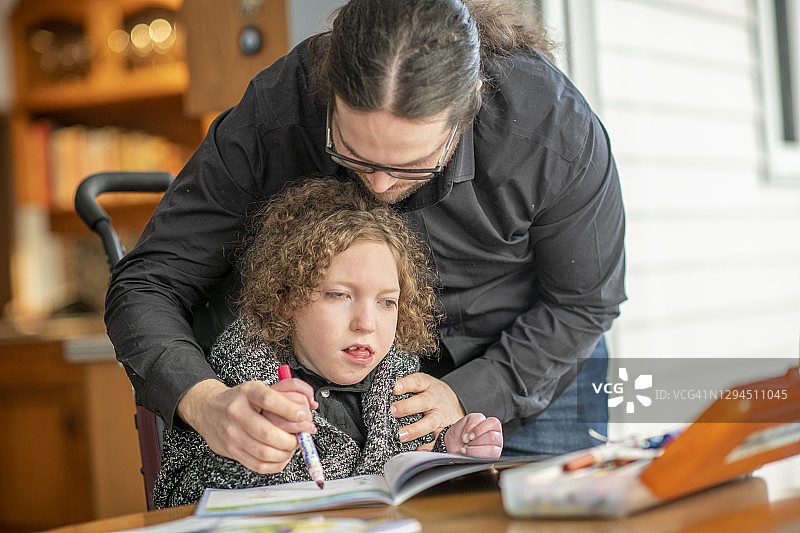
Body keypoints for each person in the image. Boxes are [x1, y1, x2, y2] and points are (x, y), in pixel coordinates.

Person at [106, 0, 625, 469]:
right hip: (352, 408)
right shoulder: (276, 112)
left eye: (414, 164)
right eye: (353, 154)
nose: (378, 186)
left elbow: (583, 303)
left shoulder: (552, 131)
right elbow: (147, 284)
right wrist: (204, 400)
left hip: (531, 371)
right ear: (326, 93)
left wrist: (472, 392)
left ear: (469, 109)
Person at [152, 178, 503, 508]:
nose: (366, 324)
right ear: (287, 297)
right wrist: (249, 448)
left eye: (386, 302)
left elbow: (409, 474)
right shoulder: (240, 377)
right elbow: (177, 497)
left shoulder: (398, 377)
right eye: (338, 295)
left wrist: (448, 452)